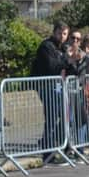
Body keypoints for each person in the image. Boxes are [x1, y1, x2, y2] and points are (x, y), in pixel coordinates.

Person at [30, 21, 75, 162]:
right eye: (60, 33)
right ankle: (47, 153)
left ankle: (64, 147)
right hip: (46, 86)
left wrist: (74, 61)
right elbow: (52, 67)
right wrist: (67, 59)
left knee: (66, 117)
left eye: (65, 34)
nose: (62, 36)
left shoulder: (65, 47)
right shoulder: (46, 46)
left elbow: (70, 69)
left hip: (60, 86)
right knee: (51, 117)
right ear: (54, 32)